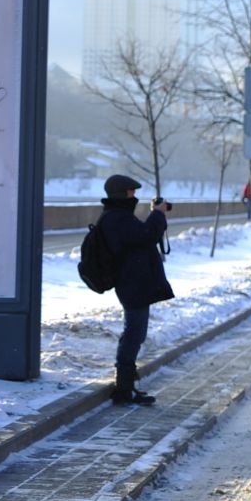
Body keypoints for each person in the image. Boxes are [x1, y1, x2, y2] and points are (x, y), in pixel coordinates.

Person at [97, 174, 174, 406]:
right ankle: (123, 388)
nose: (134, 196)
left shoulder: (118, 216)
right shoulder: (117, 218)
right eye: (131, 192)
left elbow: (141, 237)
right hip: (131, 284)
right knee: (133, 334)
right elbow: (146, 235)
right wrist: (158, 214)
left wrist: (155, 215)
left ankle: (126, 386)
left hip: (134, 283)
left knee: (135, 333)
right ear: (122, 194)